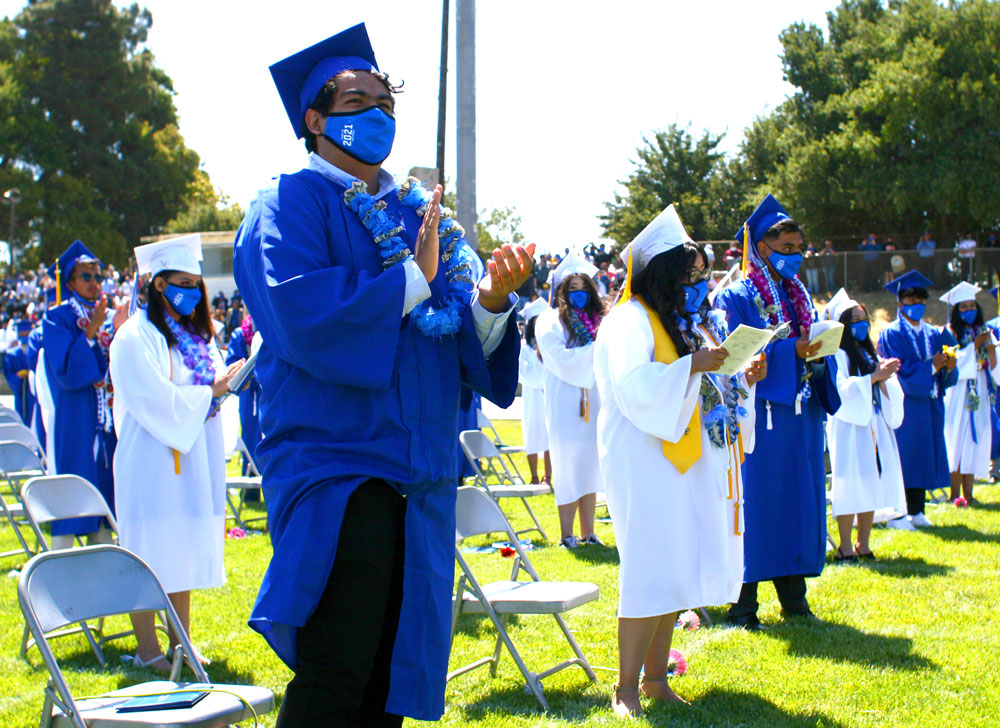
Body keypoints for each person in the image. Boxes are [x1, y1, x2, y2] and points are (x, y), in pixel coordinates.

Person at [233, 24, 529, 726]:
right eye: (355, 99)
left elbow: (449, 336)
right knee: (339, 668)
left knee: (393, 678)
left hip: (420, 474)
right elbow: (303, 314)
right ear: (315, 118)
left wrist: (487, 304)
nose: (377, 115)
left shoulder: (417, 215)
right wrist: (413, 280)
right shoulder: (287, 204)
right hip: (342, 468)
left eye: (385, 102)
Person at [594, 205, 765, 717]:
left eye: (700, 276)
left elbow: (702, 390)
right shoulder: (629, 320)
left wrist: (738, 375)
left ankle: (653, 679)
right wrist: (694, 364)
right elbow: (635, 388)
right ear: (661, 274)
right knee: (648, 567)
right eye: (688, 275)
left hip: (682, 461)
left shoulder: (679, 323)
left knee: (672, 570)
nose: (696, 285)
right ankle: (624, 688)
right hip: (643, 458)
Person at [110, 234, 243, 671]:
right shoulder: (134, 336)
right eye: (182, 282)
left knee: (180, 547)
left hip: (189, 461)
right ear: (159, 285)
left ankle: (181, 641)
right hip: (150, 461)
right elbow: (154, 399)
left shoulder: (193, 336)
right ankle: (147, 650)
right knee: (148, 550)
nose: (192, 292)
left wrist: (225, 385)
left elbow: (206, 389)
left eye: (196, 283)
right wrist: (214, 389)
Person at [715, 194, 841, 629]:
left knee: (797, 503)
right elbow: (731, 352)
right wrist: (792, 351)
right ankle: (742, 603)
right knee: (758, 504)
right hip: (760, 416)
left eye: (799, 248)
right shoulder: (736, 296)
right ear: (762, 248)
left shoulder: (799, 294)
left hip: (800, 414)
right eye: (786, 248)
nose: (795, 257)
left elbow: (811, 342)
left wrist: (819, 353)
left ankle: (794, 598)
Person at [42, 241, 126, 548]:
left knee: (106, 486)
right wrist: (90, 331)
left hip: (110, 415)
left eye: (98, 277)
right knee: (75, 478)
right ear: (70, 282)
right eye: (86, 277)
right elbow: (66, 370)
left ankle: (103, 549)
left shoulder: (113, 314)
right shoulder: (57, 317)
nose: (94, 283)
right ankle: (61, 555)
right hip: (77, 412)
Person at [824, 289, 907, 558]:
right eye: (854, 319)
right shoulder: (836, 354)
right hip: (847, 425)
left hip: (870, 423)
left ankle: (864, 543)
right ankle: (845, 545)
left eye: (864, 318)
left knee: (870, 481)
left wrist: (884, 376)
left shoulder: (866, 351)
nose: (861, 324)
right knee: (848, 483)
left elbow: (877, 384)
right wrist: (873, 377)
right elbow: (839, 390)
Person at [535, 252, 605, 548]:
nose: (579, 293)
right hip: (565, 400)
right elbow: (559, 358)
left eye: (584, 288)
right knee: (567, 464)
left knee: (589, 464)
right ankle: (566, 535)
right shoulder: (549, 320)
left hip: (593, 397)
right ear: (562, 290)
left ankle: (588, 533)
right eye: (573, 288)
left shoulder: (596, 320)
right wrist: (595, 350)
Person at [877, 270, 958, 527]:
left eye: (921, 298)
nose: (917, 303)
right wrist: (931, 367)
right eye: (910, 298)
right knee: (904, 455)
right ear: (899, 302)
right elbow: (898, 370)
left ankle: (917, 510)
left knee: (925, 454)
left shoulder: (934, 333)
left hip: (930, 401)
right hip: (906, 402)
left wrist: (948, 366)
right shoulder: (891, 334)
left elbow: (947, 361)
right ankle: (896, 513)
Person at [940, 282, 999, 505]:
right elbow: (953, 365)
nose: (968, 311)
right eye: (963, 307)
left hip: (980, 390)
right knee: (957, 438)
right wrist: (974, 346)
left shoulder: (985, 332)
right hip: (957, 391)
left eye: (972, 306)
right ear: (955, 311)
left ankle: (970, 494)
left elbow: (995, 368)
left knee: (976, 438)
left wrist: (991, 349)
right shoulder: (948, 333)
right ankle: (955, 494)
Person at [519, 297, 551, 484]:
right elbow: (526, 376)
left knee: (548, 435)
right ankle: (533, 476)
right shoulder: (523, 349)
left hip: (548, 396)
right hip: (531, 397)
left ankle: (548, 476)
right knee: (531, 435)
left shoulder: (549, 345)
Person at [227, 312, 262, 482]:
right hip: (250, 393)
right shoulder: (240, 335)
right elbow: (233, 363)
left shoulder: (269, 327)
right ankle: (251, 486)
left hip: (268, 392)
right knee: (250, 435)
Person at [3, 320, 35, 425]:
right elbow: (9, 374)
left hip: (35, 391)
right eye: (22, 332)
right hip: (22, 392)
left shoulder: (37, 350)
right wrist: (18, 376)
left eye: (26, 331)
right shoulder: (12, 354)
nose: (24, 334)